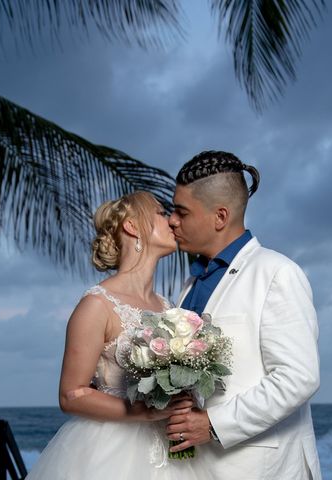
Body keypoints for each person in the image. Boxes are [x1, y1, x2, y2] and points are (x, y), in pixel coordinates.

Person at [165, 151, 322, 479]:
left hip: (259, 469)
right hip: (195, 467)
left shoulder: (277, 273)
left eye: (181, 212)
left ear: (219, 216)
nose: (171, 221)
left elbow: (298, 377)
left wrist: (212, 425)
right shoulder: (190, 283)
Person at [26, 191, 204, 480]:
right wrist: (145, 412)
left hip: (172, 453)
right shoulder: (97, 304)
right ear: (132, 227)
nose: (172, 220)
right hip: (112, 454)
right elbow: (71, 396)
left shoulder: (169, 307)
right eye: (161, 213)